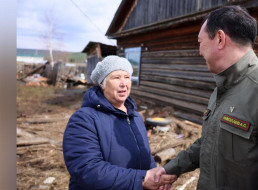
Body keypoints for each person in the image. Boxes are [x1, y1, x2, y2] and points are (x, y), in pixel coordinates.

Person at [157, 5, 258, 190]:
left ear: (219, 38)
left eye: (200, 42)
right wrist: (172, 168)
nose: (200, 51)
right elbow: (209, 141)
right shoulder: (223, 87)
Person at [63, 55, 177, 190]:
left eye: (127, 77)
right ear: (102, 84)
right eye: (116, 77)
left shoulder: (135, 117)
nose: (124, 83)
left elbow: (146, 156)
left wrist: (156, 178)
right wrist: (142, 179)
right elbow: (87, 171)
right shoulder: (84, 119)